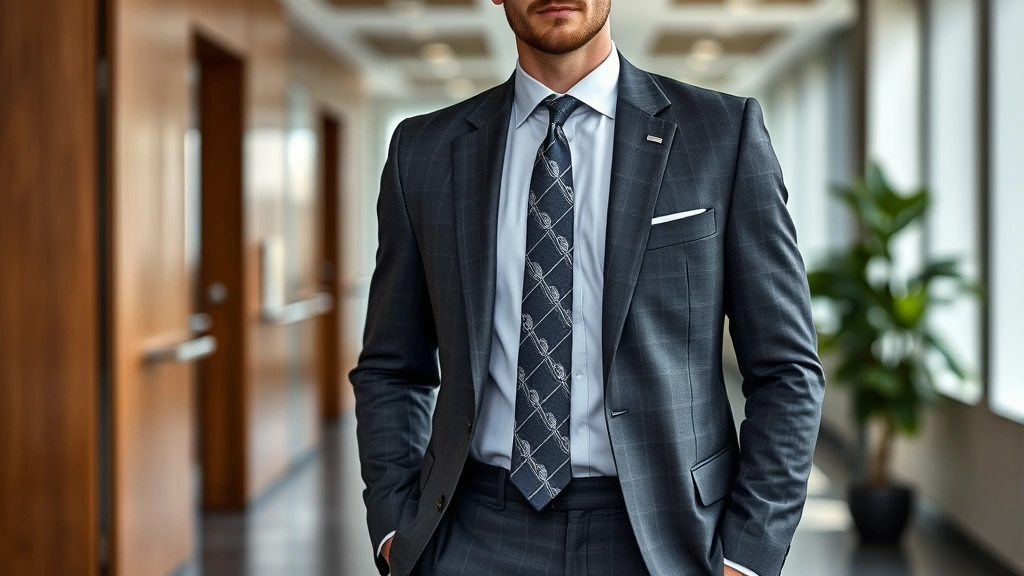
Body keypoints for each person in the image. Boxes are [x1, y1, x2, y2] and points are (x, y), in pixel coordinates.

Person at [350, 0, 825, 574]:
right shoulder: (423, 151)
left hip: (666, 538)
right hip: (473, 533)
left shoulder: (721, 135)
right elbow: (391, 366)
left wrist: (749, 554)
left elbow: (786, 368)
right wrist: (395, 526)